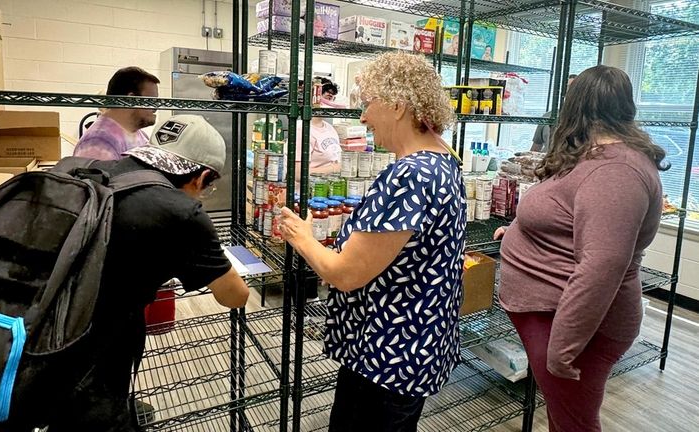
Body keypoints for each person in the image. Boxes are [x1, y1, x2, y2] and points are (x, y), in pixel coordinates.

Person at [278, 51, 466, 432]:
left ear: (397, 106)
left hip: (388, 355)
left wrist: (302, 237)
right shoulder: (443, 161)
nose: (362, 117)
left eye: (368, 104)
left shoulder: (409, 175)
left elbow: (345, 275)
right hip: (414, 345)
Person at [48, 115, 250, 431]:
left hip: (48, 325)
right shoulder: (182, 212)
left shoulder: (99, 168)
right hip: (97, 351)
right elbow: (234, 296)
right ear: (202, 177)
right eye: (208, 187)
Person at [495, 66, 666, 432]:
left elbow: (601, 267)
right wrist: (519, 231)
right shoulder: (595, 156)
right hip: (553, 317)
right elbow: (569, 218)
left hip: (574, 326)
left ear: (574, 106)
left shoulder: (616, 171)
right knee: (564, 417)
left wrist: (563, 348)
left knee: (575, 423)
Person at [74, 66, 161, 160]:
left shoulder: (139, 135)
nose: (155, 108)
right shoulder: (98, 145)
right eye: (151, 101)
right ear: (131, 100)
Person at [531, 74, 577, 152]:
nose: (569, 91)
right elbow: (535, 149)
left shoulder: (585, 121)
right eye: (568, 87)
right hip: (547, 162)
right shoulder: (548, 117)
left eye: (573, 88)